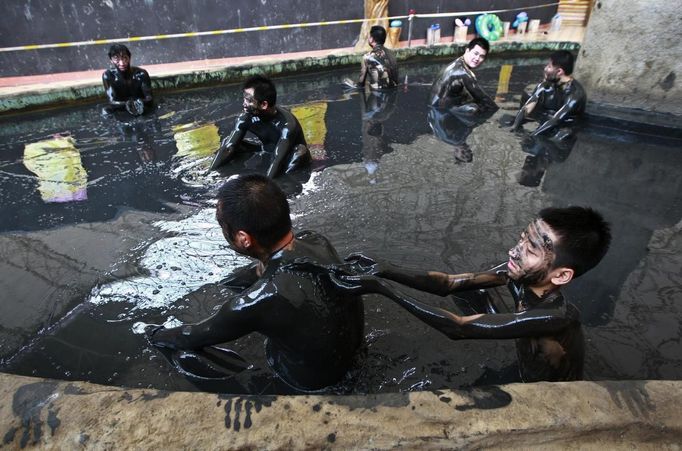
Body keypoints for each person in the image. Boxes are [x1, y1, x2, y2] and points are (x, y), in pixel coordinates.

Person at [339, 206, 611, 382]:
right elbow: (448, 283)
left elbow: (457, 328)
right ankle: (496, 325)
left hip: (546, 393)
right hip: (524, 361)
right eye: (521, 239)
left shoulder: (556, 317)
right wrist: (385, 269)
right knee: (473, 290)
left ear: (561, 275)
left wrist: (382, 289)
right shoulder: (517, 274)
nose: (514, 251)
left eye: (530, 251)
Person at [146, 174, 364, 391]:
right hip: (350, 359)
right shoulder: (317, 241)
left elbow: (190, 336)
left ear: (244, 238)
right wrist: (228, 282)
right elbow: (270, 267)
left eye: (223, 226)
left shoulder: (259, 300)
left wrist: (151, 333)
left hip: (303, 383)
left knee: (183, 354)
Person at [209, 75, 311, 178]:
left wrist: (265, 185)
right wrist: (211, 173)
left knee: (300, 151)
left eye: (249, 101)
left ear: (264, 105)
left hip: (286, 157)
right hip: (266, 150)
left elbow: (278, 158)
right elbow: (228, 148)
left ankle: (285, 179)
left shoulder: (287, 125)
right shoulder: (246, 118)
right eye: (244, 99)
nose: (244, 104)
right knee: (228, 141)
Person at [511, 50, 586, 138]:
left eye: (549, 66)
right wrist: (514, 127)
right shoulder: (544, 86)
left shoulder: (575, 94)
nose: (545, 69)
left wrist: (532, 136)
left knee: (563, 135)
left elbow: (556, 119)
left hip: (564, 127)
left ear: (559, 72)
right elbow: (527, 108)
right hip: (545, 122)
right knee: (508, 121)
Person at [430, 37, 497, 115]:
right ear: (467, 50)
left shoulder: (458, 63)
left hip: (434, 111)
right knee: (474, 108)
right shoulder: (463, 73)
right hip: (439, 112)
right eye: (475, 53)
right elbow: (485, 101)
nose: (477, 58)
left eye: (481, 56)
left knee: (467, 96)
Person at [102, 44, 153, 116]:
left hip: (141, 107)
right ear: (111, 60)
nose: (122, 63)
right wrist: (127, 104)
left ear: (129, 58)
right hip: (121, 108)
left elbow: (149, 98)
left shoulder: (141, 73)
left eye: (124, 58)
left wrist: (139, 102)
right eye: (117, 59)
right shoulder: (108, 75)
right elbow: (112, 101)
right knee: (105, 111)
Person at [343, 25, 399, 91]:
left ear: (372, 39)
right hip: (394, 92)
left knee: (345, 82)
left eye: (369, 37)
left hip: (377, 94)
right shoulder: (392, 53)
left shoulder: (367, 57)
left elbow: (360, 85)